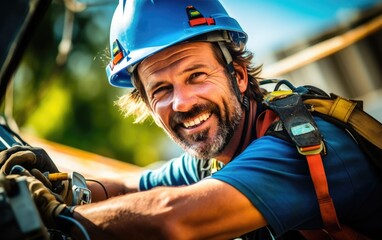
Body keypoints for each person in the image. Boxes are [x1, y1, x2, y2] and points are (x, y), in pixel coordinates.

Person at [1, 0, 381, 239]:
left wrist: (59, 218)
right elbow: (135, 190)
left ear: (239, 74)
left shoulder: (302, 148)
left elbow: (172, 218)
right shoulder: (218, 156)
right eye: (161, 90)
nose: (182, 103)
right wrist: (61, 186)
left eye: (196, 76)